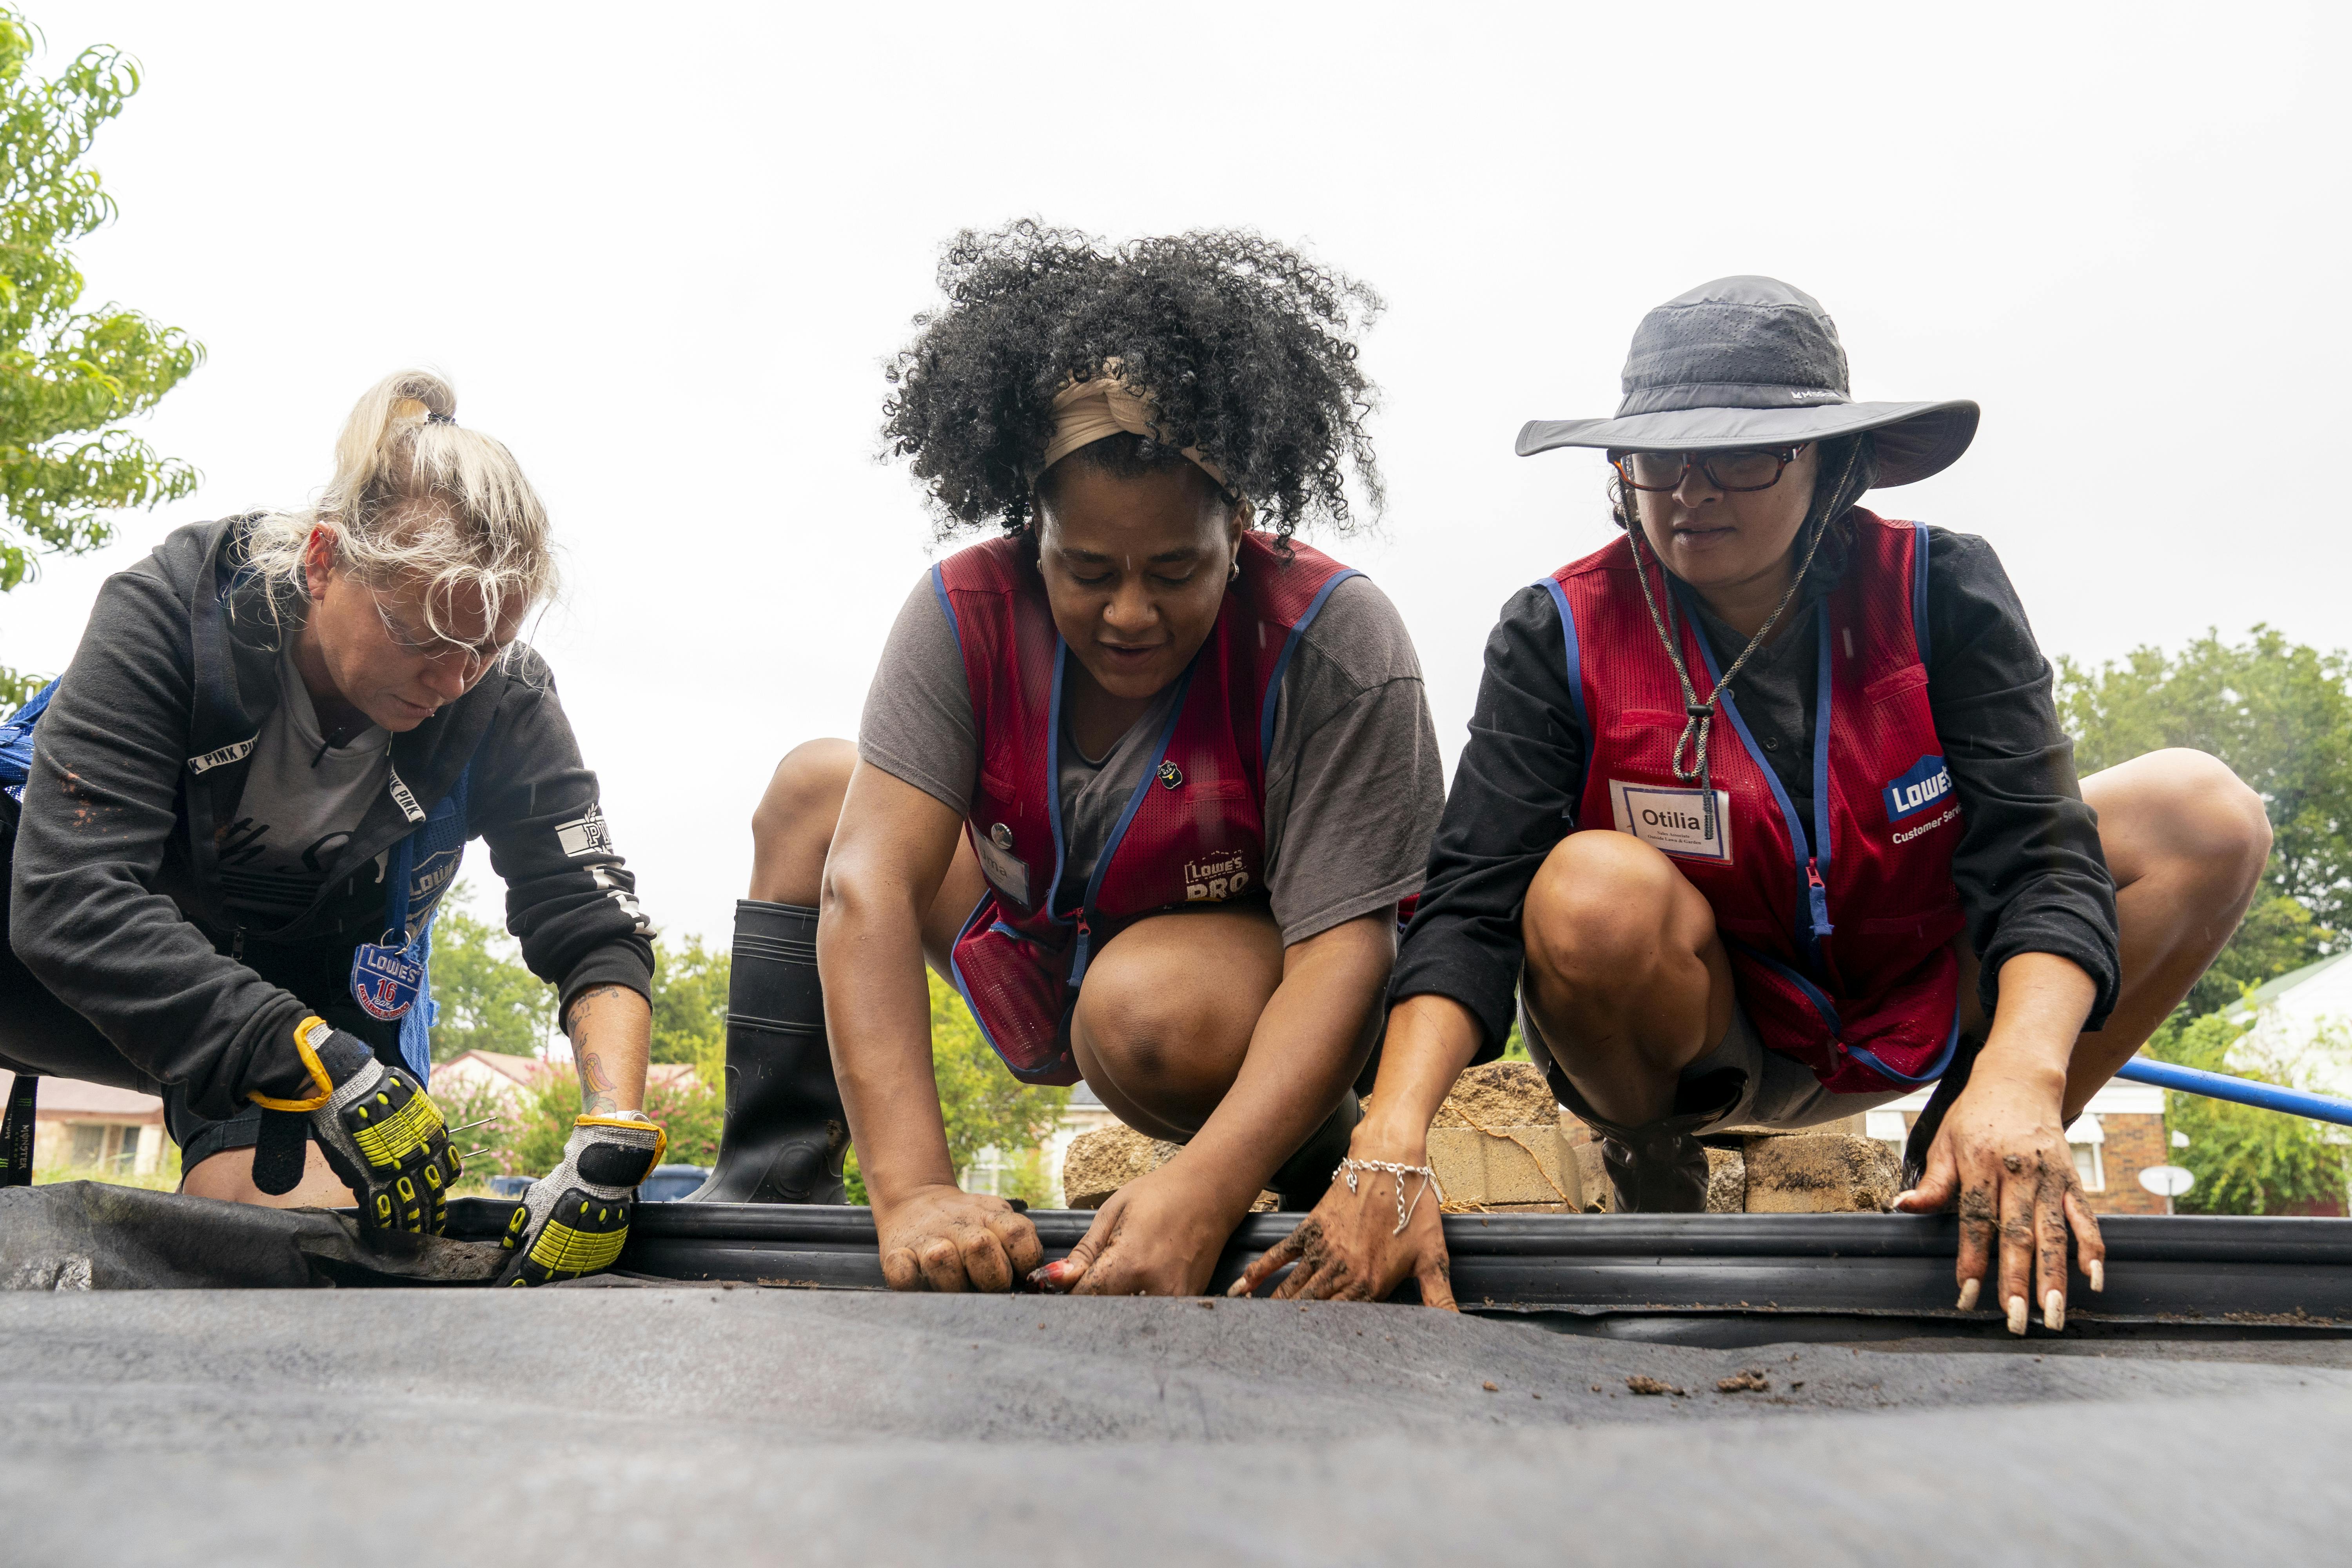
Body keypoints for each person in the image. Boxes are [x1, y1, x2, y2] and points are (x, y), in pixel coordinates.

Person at [1240, 277, 2271, 1333]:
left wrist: (2020, 1071)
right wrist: (1391, 1146)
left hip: (1929, 991)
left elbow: (2040, 858)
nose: (1690, 491)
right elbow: (1470, 904)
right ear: (1618, 471)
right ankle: (1653, 1155)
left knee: (2203, 811)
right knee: (1585, 889)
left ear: (1832, 462)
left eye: (1741, 454)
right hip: (1705, 1032)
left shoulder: (1941, 590)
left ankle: (1981, 1142)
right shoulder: (1555, 631)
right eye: (1657, 458)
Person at [702, 222, 1444, 1297]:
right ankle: (769, 1185)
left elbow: (1347, 953)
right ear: (1028, 530)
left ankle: (1293, 1154)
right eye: (1087, 571)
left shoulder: (1334, 640)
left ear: (1241, 525)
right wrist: (912, 1194)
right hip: (1033, 960)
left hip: (1208, 1012)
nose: (1130, 613)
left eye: (1177, 570)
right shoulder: (965, 610)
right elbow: (867, 888)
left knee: (1142, 1008)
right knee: (819, 794)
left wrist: (1203, 1187)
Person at [0, 371, 667, 1284]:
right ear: (322, 561)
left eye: (485, 645)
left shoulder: (501, 697)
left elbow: (591, 921)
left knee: (317, 1248)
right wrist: (304, 1051)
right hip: (61, 950)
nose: (453, 679)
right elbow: (67, 900)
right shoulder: (174, 610)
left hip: (306, 986)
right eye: (422, 635)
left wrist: (611, 1133)